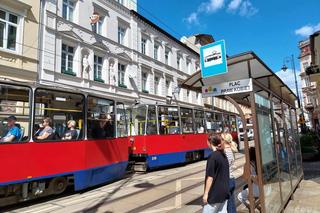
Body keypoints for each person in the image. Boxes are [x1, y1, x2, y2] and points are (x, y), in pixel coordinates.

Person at [203, 133, 230, 213]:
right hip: (224, 192)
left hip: (214, 193)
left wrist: (206, 194)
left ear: (210, 143)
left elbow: (210, 177)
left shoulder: (212, 157)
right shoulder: (223, 155)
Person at [221, 133, 237, 213]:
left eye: (221, 139)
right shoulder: (231, 150)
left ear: (224, 141)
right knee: (231, 204)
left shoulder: (224, 152)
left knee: (223, 205)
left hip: (226, 180)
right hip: (231, 179)